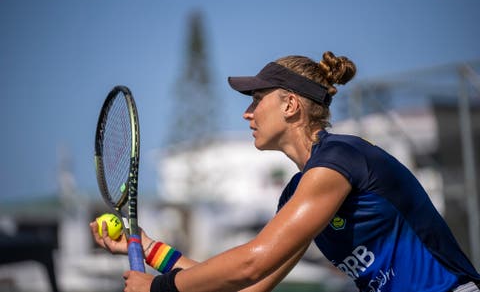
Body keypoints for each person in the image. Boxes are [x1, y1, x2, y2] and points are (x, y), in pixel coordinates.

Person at [90, 51, 480, 292]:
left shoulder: (339, 159)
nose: (247, 112)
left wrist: (159, 289)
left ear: (291, 105)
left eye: (257, 100)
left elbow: (251, 262)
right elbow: (247, 283)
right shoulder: (297, 192)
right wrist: (147, 246)